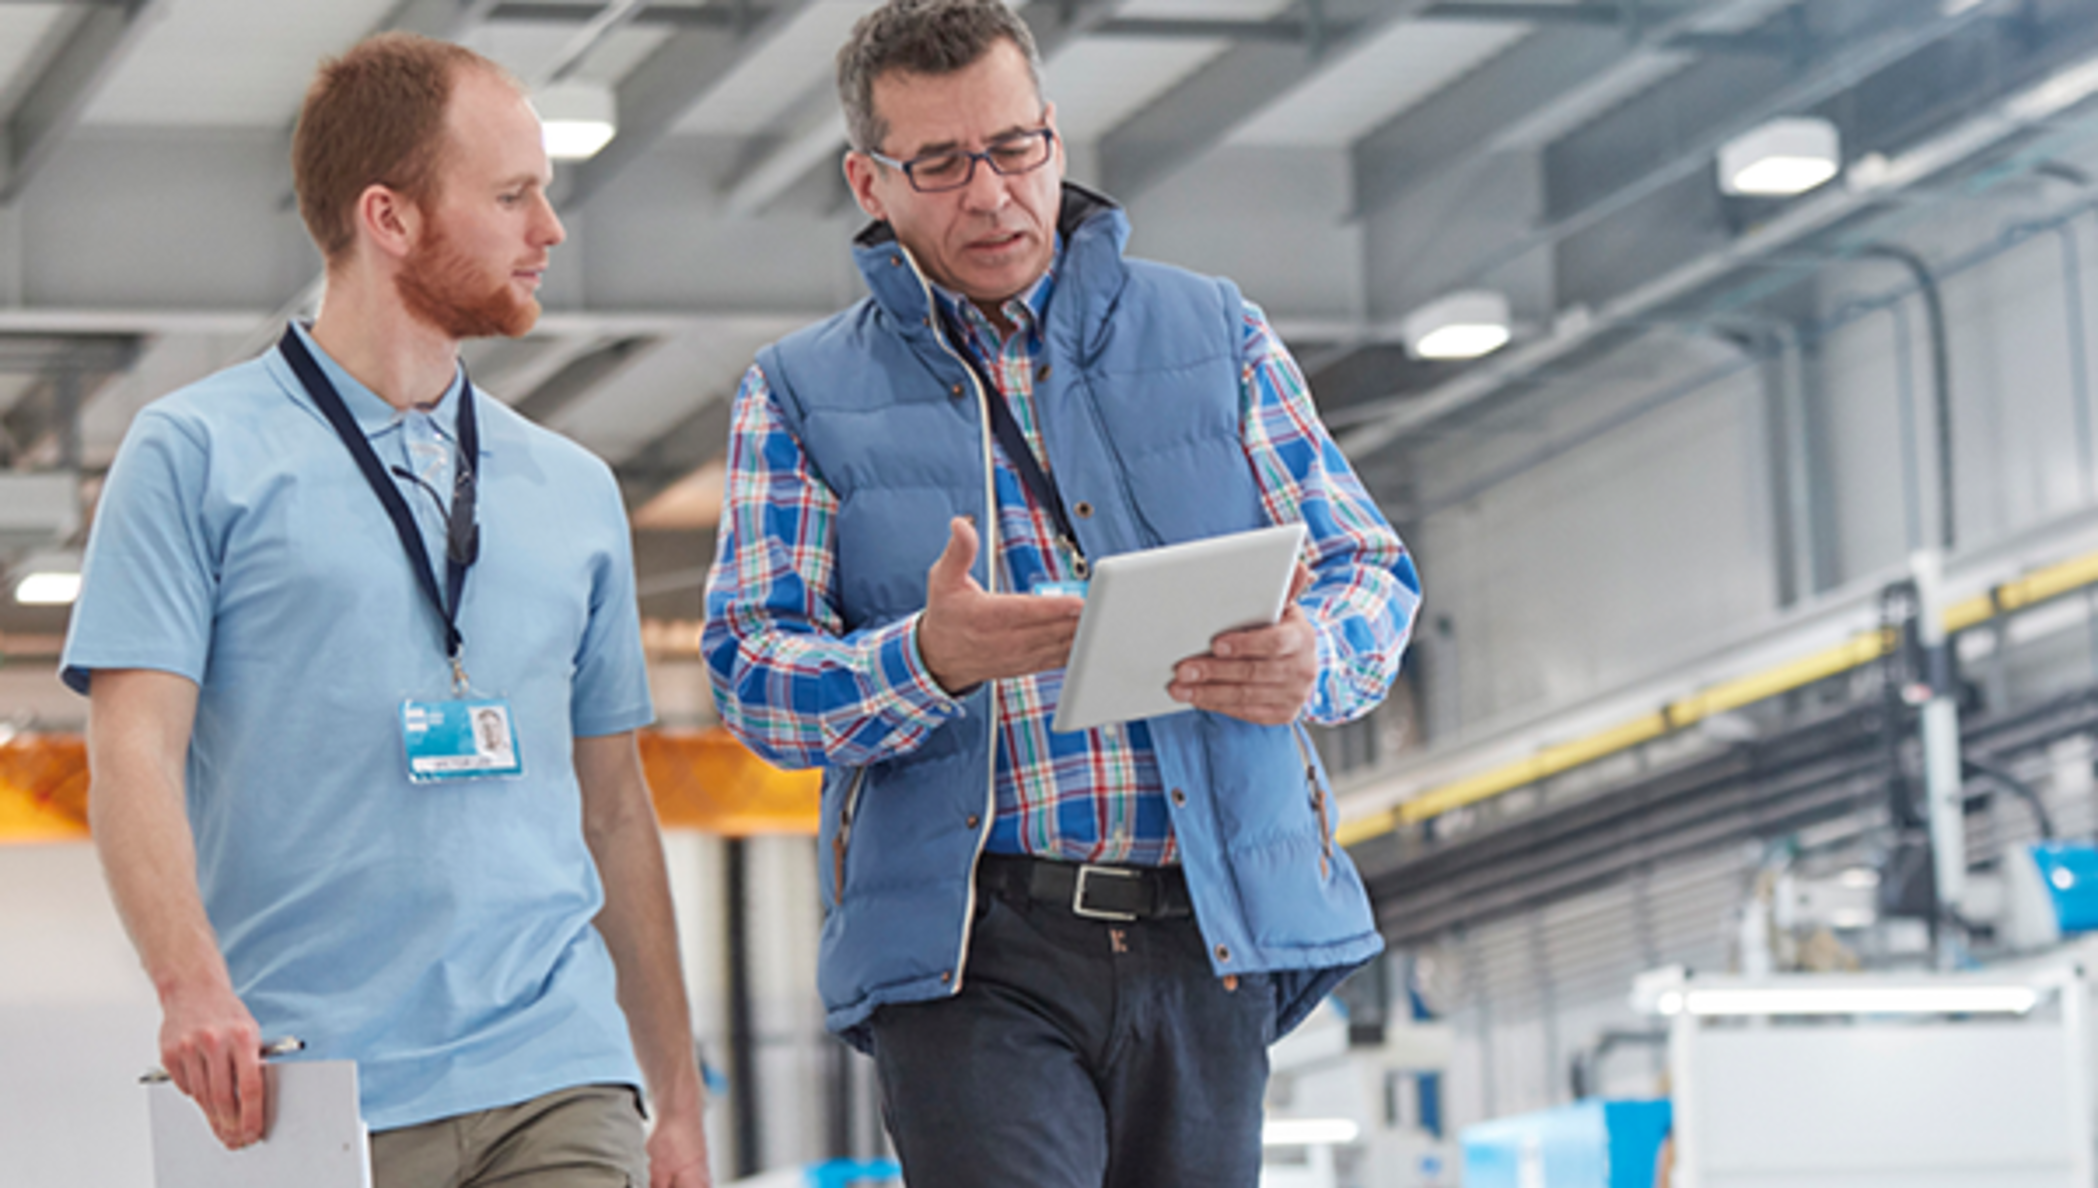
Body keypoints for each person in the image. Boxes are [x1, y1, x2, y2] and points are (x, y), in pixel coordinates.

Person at [701, 1, 1420, 1184]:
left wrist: (1315, 658)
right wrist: (927, 660)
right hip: (973, 949)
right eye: (937, 163)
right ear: (867, 182)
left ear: (1055, 138)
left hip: (1209, 925)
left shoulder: (1216, 330)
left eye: (1013, 148)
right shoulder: (794, 395)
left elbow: (1367, 570)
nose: (988, 194)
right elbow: (751, 676)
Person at [64, 33, 710, 1188]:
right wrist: (187, 983)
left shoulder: (571, 490)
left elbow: (614, 809)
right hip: (297, 1085)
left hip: (555, 1073)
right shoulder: (195, 454)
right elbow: (133, 752)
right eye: (512, 197)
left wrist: (673, 1092)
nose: (548, 231)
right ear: (389, 218)